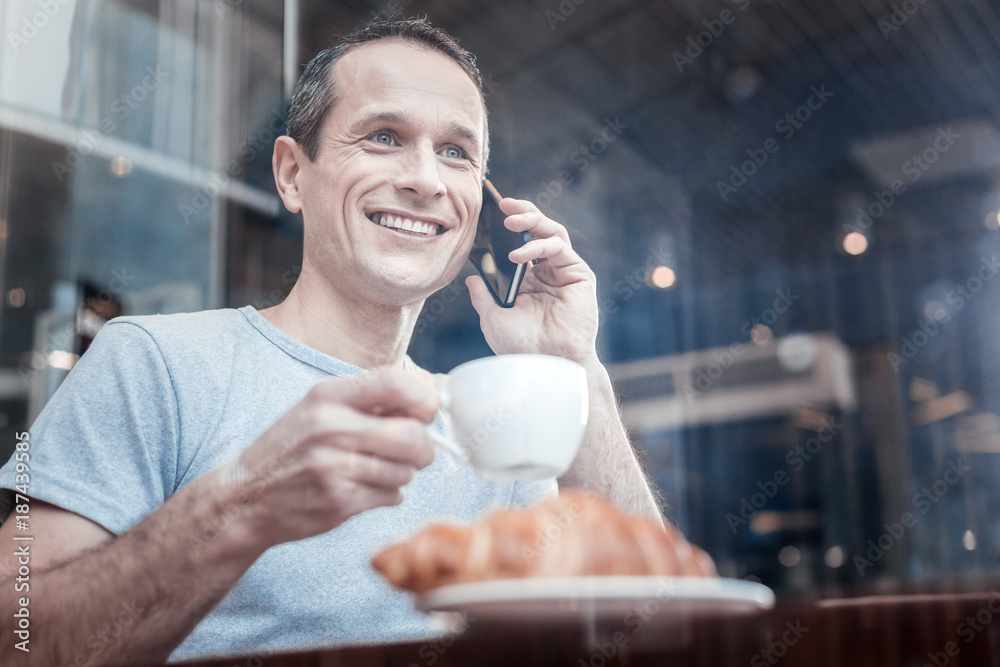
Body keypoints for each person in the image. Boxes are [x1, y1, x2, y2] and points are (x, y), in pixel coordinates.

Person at [0, 17, 663, 664]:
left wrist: (572, 359)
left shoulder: (494, 429)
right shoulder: (150, 360)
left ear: (480, 208)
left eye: (457, 152)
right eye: (383, 136)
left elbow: (654, 631)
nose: (427, 180)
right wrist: (240, 506)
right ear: (292, 175)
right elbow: (16, 641)